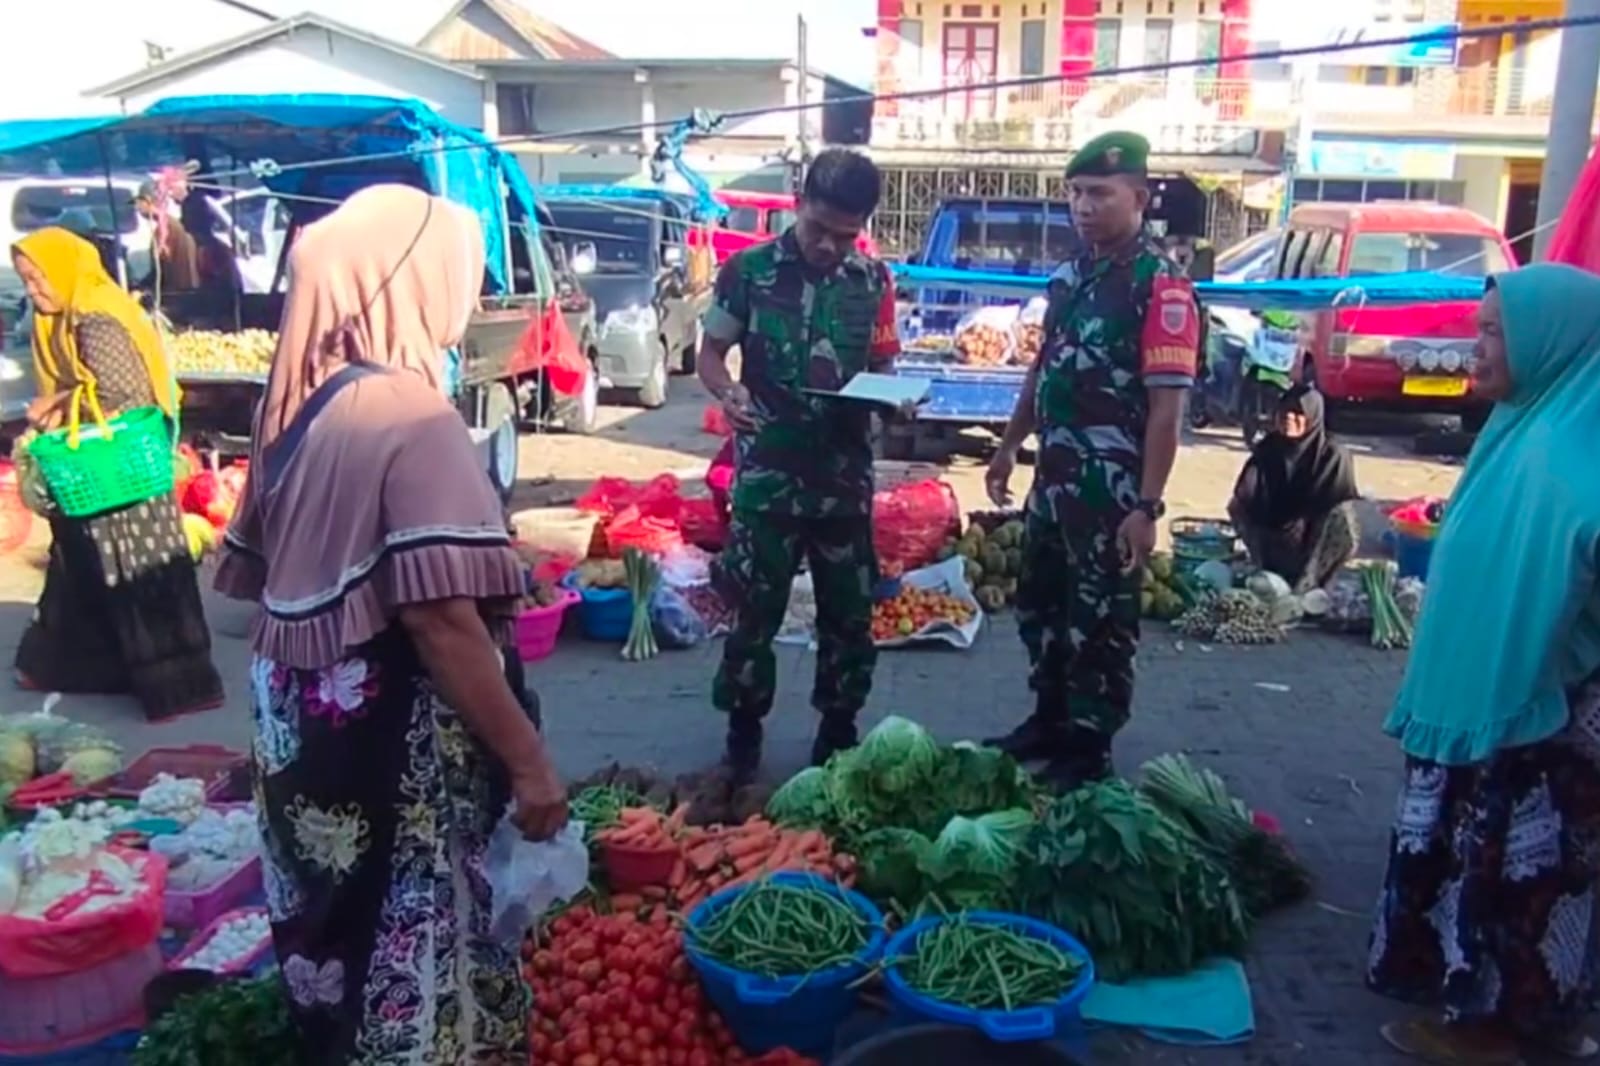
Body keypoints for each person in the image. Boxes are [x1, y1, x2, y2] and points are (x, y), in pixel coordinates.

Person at [213, 185, 568, 1063]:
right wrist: (530, 766)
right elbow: (441, 621)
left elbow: (255, 583)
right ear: (410, 277)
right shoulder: (412, 414)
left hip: (307, 749)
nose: (469, 292)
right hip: (389, 759)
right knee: (413, 966)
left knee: (339, 950)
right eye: (459, 270)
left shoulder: (302, 403)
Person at [1367, 263, 1600, 1065]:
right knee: (1485, 854)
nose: (1477, 349)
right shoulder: (1525, 427)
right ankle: (1481, 999)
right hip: (1491, 697)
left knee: (1527, 876)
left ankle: (1509, 1029)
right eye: (1480, 328)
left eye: (1497, 334)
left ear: (1551, 342)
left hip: (1549, 713)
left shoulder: (1579, 455)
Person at [983, 131, 1199, 787]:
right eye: (1075, 193)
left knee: (1102, 622)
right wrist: (1008, 445)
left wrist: (1147, 505)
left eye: (1099, 193)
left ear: (1138, 196)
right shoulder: (1071, 276)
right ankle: (1048, 720)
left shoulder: (1159, 288)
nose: (1083, 206)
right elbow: (1043, 370)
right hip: (1053, 483)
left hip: (1111, 495)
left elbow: (1167, 411)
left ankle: (1090, 746)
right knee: (1040, 608)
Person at [697, 148, 900, 782]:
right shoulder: (748, 273)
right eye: (819, 230)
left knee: (849, 620)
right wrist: (727, 394)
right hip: (767, 481)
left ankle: (838, 734)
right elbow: (710, 356)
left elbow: (885, 367)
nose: (829, 247)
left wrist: (890, 400)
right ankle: (743, 736)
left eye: (846, 235)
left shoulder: (873, 282)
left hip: (843, 483)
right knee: (754, 615)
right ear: (798, 203)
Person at [10, 227, 224, 721]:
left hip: (119, 478)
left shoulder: (95, 318)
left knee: (133, 576)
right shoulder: (72, 313)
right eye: (26, 282)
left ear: (65, 270)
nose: (33, 293)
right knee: (83, 571)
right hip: (105, 470)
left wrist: (60, 405)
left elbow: (122, 397)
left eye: (38, 280)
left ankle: (174, 686)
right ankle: (80, 669)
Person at [1227, 384, 1361, 592]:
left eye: (1298, 412)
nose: (1289, 417)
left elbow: (1335, 503)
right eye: (1285, 410)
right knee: (1236, 506)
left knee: (1341, 516)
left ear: (1313, 416)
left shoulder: (1333, 455)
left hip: (1312, 540)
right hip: (1273, 538)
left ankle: (1309, 584)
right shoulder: (1269, 447)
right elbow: (1245, 493)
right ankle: (1266, 569)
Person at [131, 181, 200, 293]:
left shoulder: (165, 229)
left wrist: (139, 288)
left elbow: (160, 271)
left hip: (175, 296)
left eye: (139, 202)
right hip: (185, 293)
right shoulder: (171, 224)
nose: (136, 207)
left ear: (148, 200)